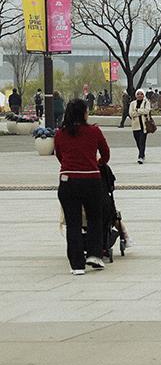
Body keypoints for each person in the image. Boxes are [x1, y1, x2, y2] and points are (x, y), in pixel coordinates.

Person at [54, 98, 111, 274]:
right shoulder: (94, 131)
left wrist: (71, 166)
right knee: (95, 219)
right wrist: (97, 163)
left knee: (73, 223)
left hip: (67, 181)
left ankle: (76, 265)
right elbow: (106, 154)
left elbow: (60, 156)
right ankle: (94, 255)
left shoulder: (60, 133)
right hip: (91, 180)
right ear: (84, 113)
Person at [128, 89, 154, 164]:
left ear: (143, 95)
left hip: (144, 126)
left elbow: (147, 111)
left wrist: (137, 110)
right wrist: (140, 112)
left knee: (142, 142)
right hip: (135, 126)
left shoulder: (146, 102)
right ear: (136, 95)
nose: (139, 95)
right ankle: (142, 153)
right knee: (138, 142)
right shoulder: (132, 103)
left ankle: (141, 156)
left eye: (141, 94)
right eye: (138, 94)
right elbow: (131, 114)